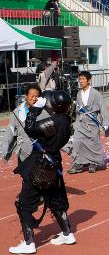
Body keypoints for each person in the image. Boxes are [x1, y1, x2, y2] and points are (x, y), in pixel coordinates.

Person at [9, 90, 75, 254]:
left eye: (51, 102)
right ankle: (67, 233)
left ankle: (29, 242)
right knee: (55, 199)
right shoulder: (66, 120)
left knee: (24, 202)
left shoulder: (54, 121)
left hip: (41, 165)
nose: (49, 103)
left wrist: (34, 110)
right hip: (55, 163)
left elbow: (30, 128)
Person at [68, 71, 109, 174]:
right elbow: (77, 109)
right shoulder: (79, 94)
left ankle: (93, 163)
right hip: (81, 122)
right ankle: (78, 163)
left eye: (83, 79)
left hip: (92, 123)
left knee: (93, 143)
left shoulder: (96, 94)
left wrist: (105, 122)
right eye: (80, 79)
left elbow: (102, 108)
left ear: (89, 80)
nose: (81, 81)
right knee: (77, 142)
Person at [0, 84, 51, 164]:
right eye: (32, 96)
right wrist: (4, 150)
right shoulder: (17, 113)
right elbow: (10, 132)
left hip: (40, 152)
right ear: (26, 96)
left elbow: (52, 132)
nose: (34, 99)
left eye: (37, 97)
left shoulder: (43, 113)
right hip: (23, 153)